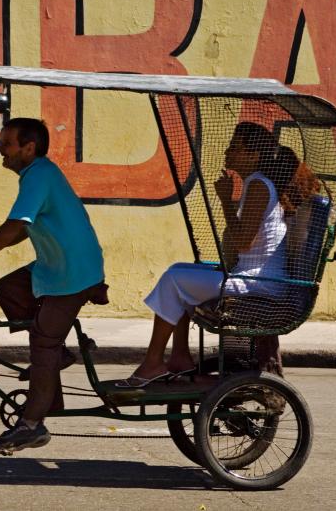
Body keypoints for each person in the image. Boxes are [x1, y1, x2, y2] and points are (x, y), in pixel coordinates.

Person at [0, 117, 107, 453]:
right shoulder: (36, 175)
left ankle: (32, 425)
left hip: (71, 273)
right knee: (9, 289)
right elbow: (23, 229)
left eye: (6, 144)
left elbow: (15, 225)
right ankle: (53, 359)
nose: (0, 151)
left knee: (42, 345)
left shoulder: (39, 174)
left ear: (28, 148)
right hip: (56, 266)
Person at [118, 122, 290, 387]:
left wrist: (224, 201)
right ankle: (179, 357)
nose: (227, 151)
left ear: (253, 156)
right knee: (179, 273)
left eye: (235, 147)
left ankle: (153, 362)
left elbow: (243, 242)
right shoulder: (253, 185)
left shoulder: (258, 185)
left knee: (175, 278)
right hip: (248, 277)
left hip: (260, 284)